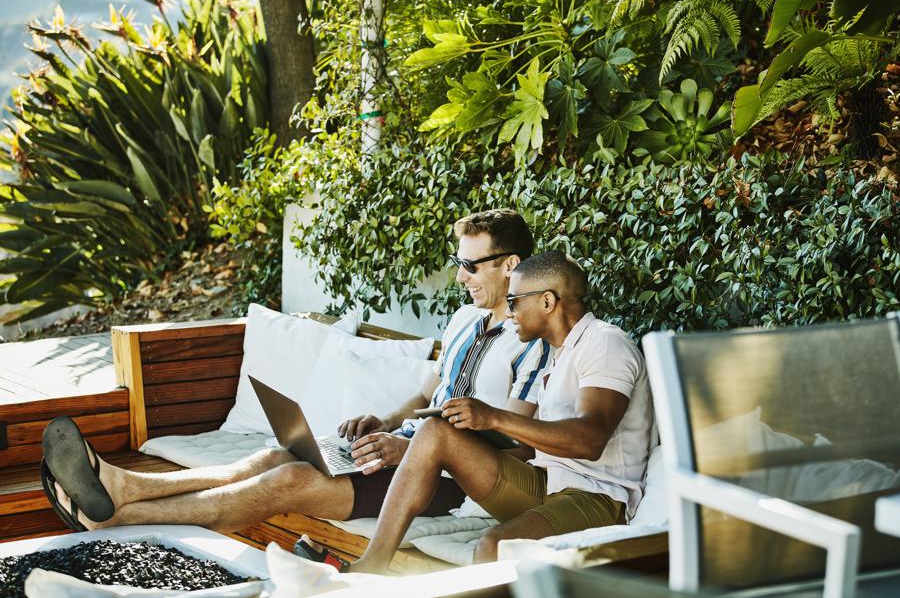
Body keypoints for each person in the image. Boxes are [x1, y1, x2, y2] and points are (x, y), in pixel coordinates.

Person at [41, 209, 552, 547]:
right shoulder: (465, 320)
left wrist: (420, 449)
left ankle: (113, 519)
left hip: (443, 482)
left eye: (469, 264)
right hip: (394, 450)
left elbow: (517, 443)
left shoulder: (531, 337)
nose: (459, 275)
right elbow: (428, 393)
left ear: (510, 264)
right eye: (456, 262)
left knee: (287, 480)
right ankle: (121, 485)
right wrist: (387, 421)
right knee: (272, 456)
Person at [349, 250, 655, 573]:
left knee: (494, 547)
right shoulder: (558, 352)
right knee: (435, 432)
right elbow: (535, 444)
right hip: (547, 481)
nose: (509, 314)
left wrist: (492, 417)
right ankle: (370, 568)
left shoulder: (604, 345)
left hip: (596, 496)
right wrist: (475, 432)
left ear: (547, 302)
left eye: (514, 302)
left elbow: (589, 439)